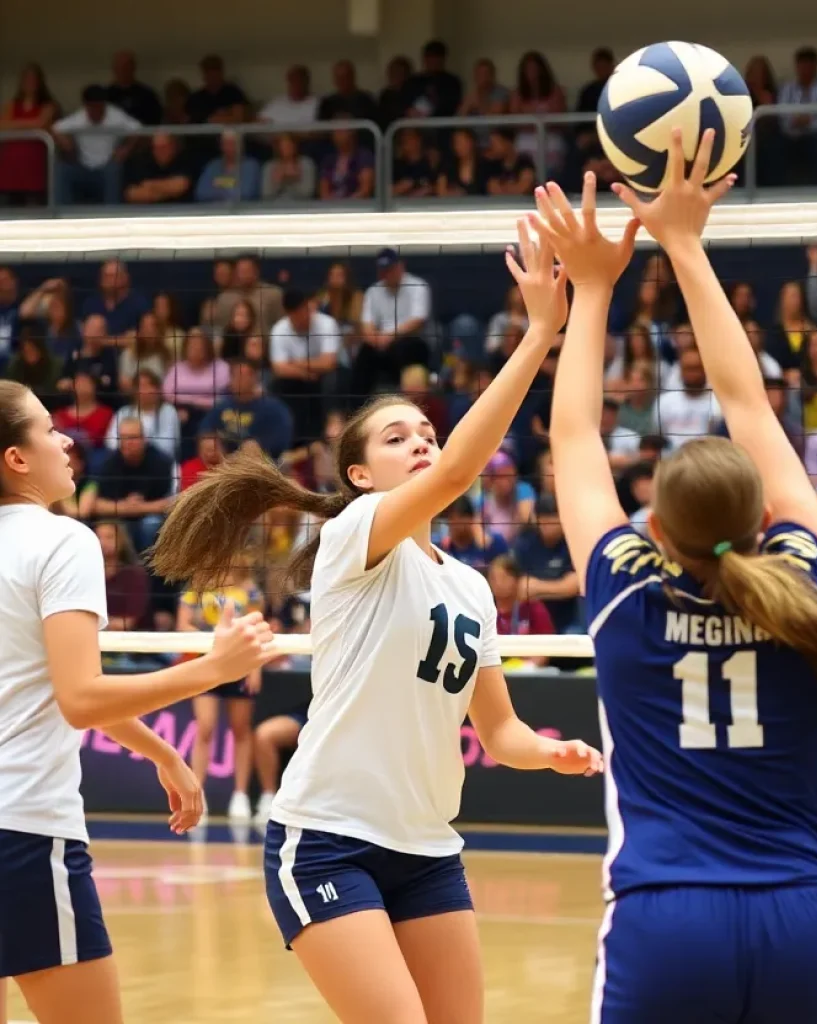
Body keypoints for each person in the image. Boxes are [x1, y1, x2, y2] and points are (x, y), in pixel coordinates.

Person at [531, 134, 817, 1024]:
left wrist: (591, 289)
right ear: (762, 522)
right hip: (802, 919)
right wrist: (689, 245)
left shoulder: (627, 591)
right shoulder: (805, 580)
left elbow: (576, 439)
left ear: (653, 528)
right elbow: (751, 406)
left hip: (665, 921)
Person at [149, 231, 602, 1024]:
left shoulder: (467, 585)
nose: (423, 443)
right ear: (361, 475)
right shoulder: (354, 534)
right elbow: (463, 469)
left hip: (428, 847)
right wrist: (539, 332)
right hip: (326, 837)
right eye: (400, 439)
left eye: (427, 432)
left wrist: (551, 752)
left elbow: (498, 733)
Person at [0, 379, 276, 1024]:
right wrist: (213, 668)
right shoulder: (59, 540)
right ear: (16, 458)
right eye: (47, 428)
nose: (66, 439)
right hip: (21, 827)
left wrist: (161, 753)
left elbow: (40, 683)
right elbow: (80, 697)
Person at [177, 559, 265, 823]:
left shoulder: (250, 591)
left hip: (240, 663)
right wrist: (218, 637)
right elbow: (183, 626)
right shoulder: (197, 588)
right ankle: (196, 795)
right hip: (207, 662)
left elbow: (258, 629)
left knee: (241, 728)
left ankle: (240, 796)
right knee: (205, 727)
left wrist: (255, 667)